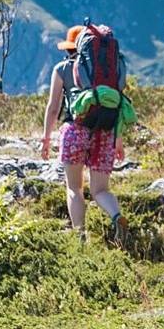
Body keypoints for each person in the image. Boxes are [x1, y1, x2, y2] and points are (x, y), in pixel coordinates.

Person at [42, 25, 127, 241]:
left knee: (74, 188)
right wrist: (118, 140)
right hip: (105, 132)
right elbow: (115, 104)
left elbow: (53, 107)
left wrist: (46, 138)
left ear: (71, 48)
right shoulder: (107, 71)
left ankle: (79, 235)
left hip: (75, 131)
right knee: (100, 190)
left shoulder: (61, 69)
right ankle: (116, 216)